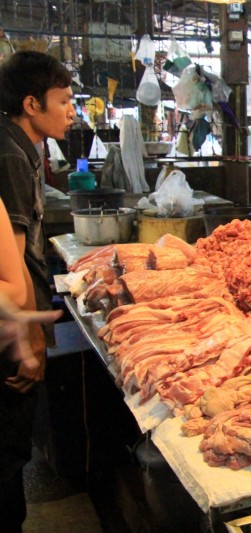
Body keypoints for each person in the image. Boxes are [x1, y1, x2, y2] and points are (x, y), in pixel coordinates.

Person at [0, 50, 74, 533]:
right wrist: (26, 344)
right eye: (64, 101)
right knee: (7, 455)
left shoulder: (22, 147)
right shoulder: (9, 154)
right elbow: (12, 269)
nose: (71, 111)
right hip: (9, 330)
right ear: (31, 103)